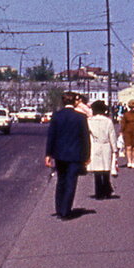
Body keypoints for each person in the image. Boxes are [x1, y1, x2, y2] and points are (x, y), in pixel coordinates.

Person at [45, 91, 92, 219]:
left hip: (59, 154)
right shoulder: (81, 117)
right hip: (75, 154)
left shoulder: (56, 116)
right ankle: (66, 211)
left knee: (61, 181)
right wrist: (87, 155)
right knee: (71, 182)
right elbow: (85, 138)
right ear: (74, 102)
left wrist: (48, 154)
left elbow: (51, 136)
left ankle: (59, 209)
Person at [86, 100, 118, 199]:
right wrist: (115, 148)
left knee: (97, 170)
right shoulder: (108, 121)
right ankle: (107, 191)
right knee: (106, 169)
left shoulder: (89, 121)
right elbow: (112, 135)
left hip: (94, 145)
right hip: (106, 145)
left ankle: (99, 193)